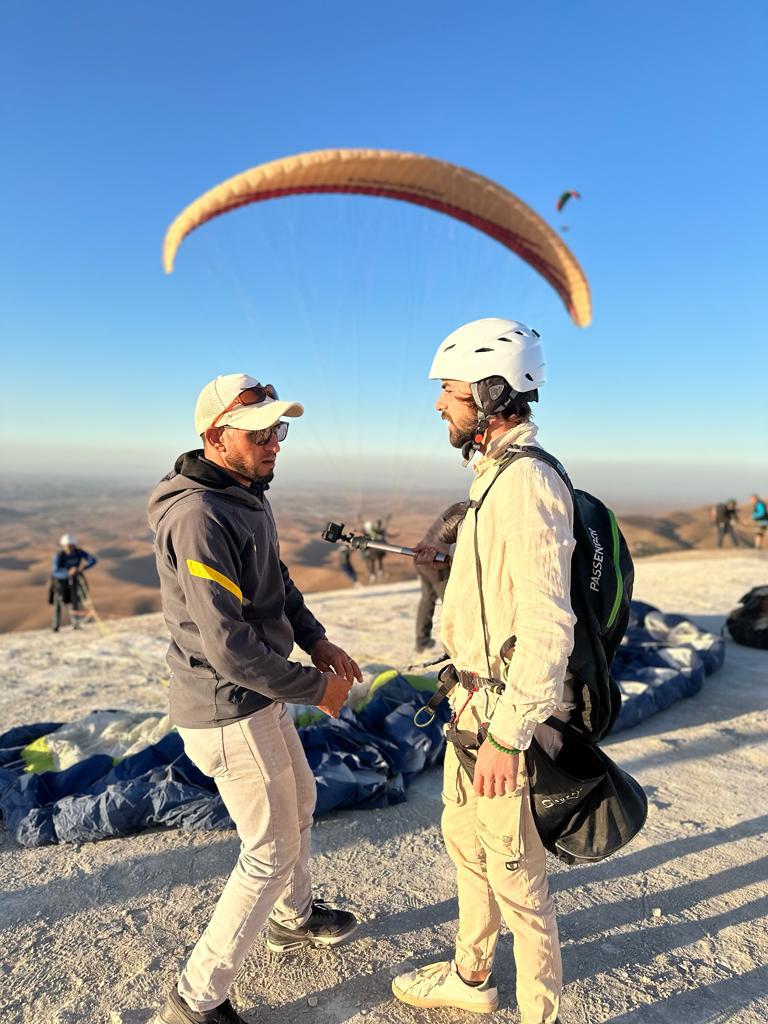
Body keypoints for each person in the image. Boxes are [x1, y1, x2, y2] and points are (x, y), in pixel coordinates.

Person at [148, 374, 362, 1024]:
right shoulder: (199, 516)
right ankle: (196, 999)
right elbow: (230, 649)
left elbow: (277, 580)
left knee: (302, 804)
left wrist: (315, 639)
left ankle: (292, 921)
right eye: (259, 433)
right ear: (215, 437)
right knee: (268, 851)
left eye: (278, 430)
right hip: (228, 707)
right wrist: (317, 690)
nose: (274, 443)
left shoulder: (244, 495)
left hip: (259, 695)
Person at [392, 319, 573, 1024]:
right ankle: (472, 977)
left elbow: (549, 626)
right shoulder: (492, 481)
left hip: (501, 718)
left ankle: (539, 1012)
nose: (439, 403)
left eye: (450, 390)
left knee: (518, 878)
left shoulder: (526, 484)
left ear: (492, 393)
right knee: (467, 846)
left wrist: (507, 735)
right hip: (468, 705)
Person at [413, 504, 465, 652]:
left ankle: (422, 641)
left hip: (427, 557)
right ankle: (456, 649)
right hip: (435, 560)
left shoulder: (461, 507)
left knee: (428, 598)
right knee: (451, 603)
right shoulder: (471, 510)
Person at [49, 534, 97, 632]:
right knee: (58, 602)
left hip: (75, 580)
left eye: (71, 546)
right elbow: (55, 571)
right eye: (67, 546)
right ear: (64, 546)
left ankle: (76, 624)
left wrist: (84, 567)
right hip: (60, 582)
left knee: (75, 601)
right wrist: (68, 572)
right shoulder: (59, 556)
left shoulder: (79, 553)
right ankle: (55, 625)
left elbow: (93, 560)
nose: (70, 548)